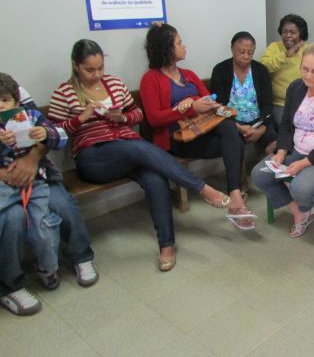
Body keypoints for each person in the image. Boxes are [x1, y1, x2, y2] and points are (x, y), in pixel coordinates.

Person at [49, 39, 231, 272]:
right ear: (76, 66)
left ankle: (166, 245)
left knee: (155, 177)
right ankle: (202, 188)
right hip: (94, 156)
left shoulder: (114, 84)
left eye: (100, 68)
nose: (97, 75)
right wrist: (81, 118)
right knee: (136, 147)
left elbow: (138, 114)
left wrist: (122, 118)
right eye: (89, 70)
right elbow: (53, 134)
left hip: (128, 149)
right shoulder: (64, 92)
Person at [140, 24, 255, 231]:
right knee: (235, 140)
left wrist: (201, 104)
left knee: (230, 130)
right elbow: (155, 119)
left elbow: (210, 102)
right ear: (166, 48)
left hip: (203, 130)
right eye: (179, 43)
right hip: (178, 140)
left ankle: (235, 197)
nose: (184, 46)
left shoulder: (189, 75)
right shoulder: (151, 79)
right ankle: (237, 199)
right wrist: (187, 108)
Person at [0, 85, 98, 316]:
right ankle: (11, 285)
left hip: (39, 177)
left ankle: (78, 256)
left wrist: (38, 146)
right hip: (5, 185)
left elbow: (57, 135)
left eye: (4, 100)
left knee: (62, 204)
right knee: (11, 218)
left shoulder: (25, 110)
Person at [251, 43, 314, 237]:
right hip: (296, 149)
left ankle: (304, 203)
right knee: (259, 174)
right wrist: (281, 151)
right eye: (304, 69)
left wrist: (303, 164)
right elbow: (286, 125)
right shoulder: (296, 88)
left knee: (300, 187)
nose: (308, 76)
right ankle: (299, 212)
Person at [210, 31, 277, 155]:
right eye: (241, 52)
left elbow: (267, 104)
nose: (246, 56)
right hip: (232, 122)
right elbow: (217, 106)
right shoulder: (220, 70)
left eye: (250, 52)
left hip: (259, 120)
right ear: (232, 49)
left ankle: (272, 167)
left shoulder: (261, 70)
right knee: (234, 142)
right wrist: (239, 127)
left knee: (273, 143)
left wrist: (261, 129)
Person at [259, 14, 309, 126]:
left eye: (292, 32)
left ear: (301, 34)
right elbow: (262, 67)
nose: (288, 35)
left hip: (304, 103)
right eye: (284, 32)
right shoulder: (274, 47)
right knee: (287, 126)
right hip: (279, 104)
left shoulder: (308, 50)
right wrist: (285, 55)